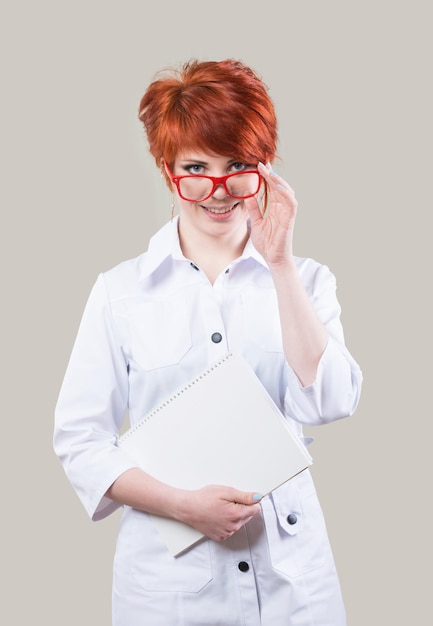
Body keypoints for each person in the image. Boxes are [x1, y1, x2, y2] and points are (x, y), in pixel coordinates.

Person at [53, 59, 362, 625]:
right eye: (196, 167)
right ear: (167, 170)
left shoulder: (308, 279)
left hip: (294, 581)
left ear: (264, 170)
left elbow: (330, 403)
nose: (217, 191)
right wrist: (182, 506)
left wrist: (281, 264)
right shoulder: (119, 293)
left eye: (238, 165)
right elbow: (80, 440)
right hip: (170, 590)